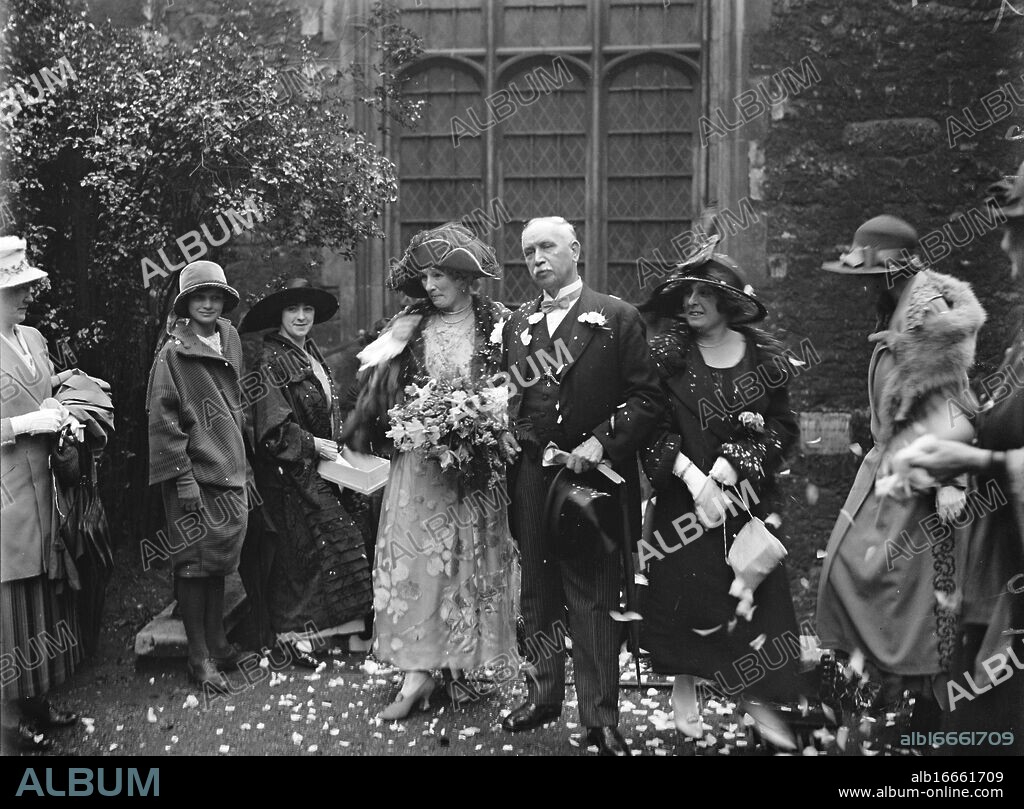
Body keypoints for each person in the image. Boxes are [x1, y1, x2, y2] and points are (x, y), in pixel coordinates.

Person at [498, 216, 662, 756]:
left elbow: (646, 399)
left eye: (547, 247)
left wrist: (602, 441)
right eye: (528, 251)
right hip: (530, 477)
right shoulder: (518, 324)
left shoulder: (617, 317)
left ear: (575, 250)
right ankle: (543, 694)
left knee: (591, 592)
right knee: (537, 589)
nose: (537, 258)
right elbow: (512, 397)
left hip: (591, 481)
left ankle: (599, 717)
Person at [815, 216, 986, 730]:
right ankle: (885, 696)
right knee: (850, 572)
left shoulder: (926, 313)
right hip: (893, 466)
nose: (865, 289)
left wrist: (953, 482)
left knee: (918, 595)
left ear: (891, 273)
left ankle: (929, 704)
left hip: (927, 475)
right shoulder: (903, 303)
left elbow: (952, 400)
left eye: (869, 277)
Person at [342, 222, 518, 720]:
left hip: (475, 468)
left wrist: (488, 421)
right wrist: (394, 423)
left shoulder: (500, 323)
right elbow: (373, 386)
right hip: (419, 467)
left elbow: (520, 385)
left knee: (468, 560)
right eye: (427, 276)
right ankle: (416, 673)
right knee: (418, 559)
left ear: (465, 280)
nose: (431, 285)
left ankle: (460, 665)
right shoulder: (407, 325)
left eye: (441, 276)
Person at [637, 241, 803, 741]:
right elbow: (649, 426)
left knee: (751, 601)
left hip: (744, 505)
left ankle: (757, 698)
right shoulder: (664, 357)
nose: (691, 301)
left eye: (703, 293)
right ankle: (685, 686)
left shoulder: (762, 358)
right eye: (685, 293)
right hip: (682, 506)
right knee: (687, 600)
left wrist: (736, 464)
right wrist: (690, 476)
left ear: (726, 300)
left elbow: (782, 426)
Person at [895, 164, 1024, 756]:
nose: (1004, 244)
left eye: (1017, 231)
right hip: (1001, 570)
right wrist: (956, 448)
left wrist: (979, 459)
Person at [241, 278, 373, 667]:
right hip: (288, 473)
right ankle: (294, 637)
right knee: (308, 552)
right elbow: (271, 430)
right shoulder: (270, 360)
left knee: (343, 539)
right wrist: (313, 445)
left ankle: (333, 631)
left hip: (321, 467)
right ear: (279, 316)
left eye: (308, 310)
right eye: (292, 310)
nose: (301, 317)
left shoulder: (309, 351)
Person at [146, 261, 250, 689]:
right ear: (186, 304)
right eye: (199, 297)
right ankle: (198, 656)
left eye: (215, 296)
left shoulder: (230, 337)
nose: (208, 303)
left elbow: (239, 402)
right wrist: (183, 480)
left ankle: (219, 643)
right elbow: (163, 422)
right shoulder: (173, 352)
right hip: (194, 477)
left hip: (230, 469)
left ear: (224, 301)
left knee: (219, 562)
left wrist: (246, 463)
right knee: (193, 565)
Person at [0, 236, 82, 751]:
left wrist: (62, 416)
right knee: (8, 604)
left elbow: (47, 392)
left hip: (42, 489)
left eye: (30, 286)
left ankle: (36, 701)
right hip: (5, 499)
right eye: (17, 289)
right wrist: (23, 423)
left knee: (38, 598)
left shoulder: (32, 337)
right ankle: (9, 720)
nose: (29, 295)